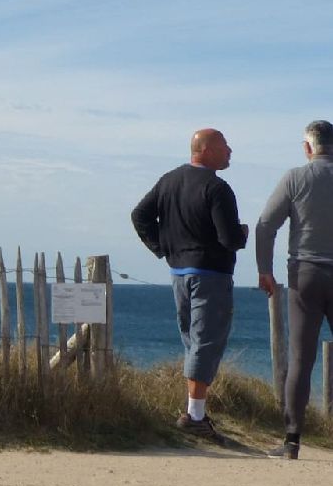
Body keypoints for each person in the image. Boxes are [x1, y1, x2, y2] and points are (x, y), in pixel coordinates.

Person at [131, 128, 248, 438]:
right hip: (210, 273)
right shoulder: (217, 188)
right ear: (206, 149)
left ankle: (197, 411)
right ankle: (195, 415)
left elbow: (140, 215)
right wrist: (243, 234)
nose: (230, 151)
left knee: (192, 340)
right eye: (225, 146)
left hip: (179, 272)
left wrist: (163, 249)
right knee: (206, 341)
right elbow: (229, 238)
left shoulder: (169, 180)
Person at [255, 119, 333, 461]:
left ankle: (291, 441)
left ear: (307, 148)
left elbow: (265, 226)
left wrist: (264, 270)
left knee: (301, 359)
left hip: (305, 272)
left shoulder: (295, 178)